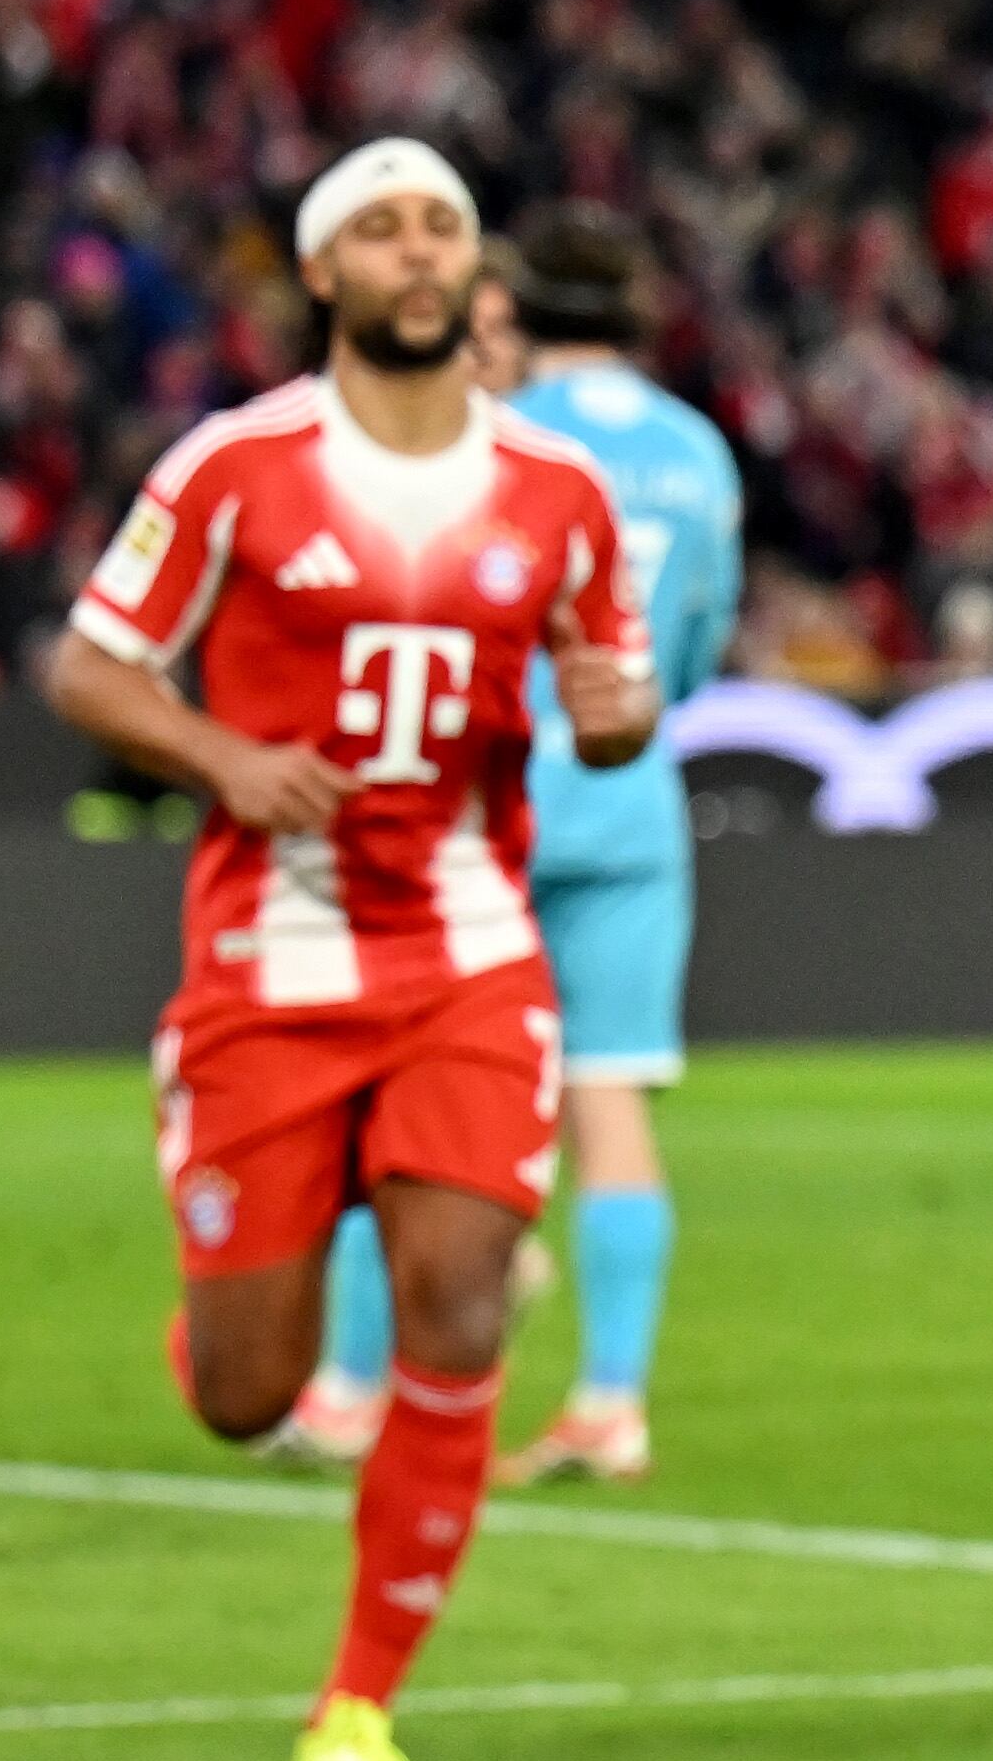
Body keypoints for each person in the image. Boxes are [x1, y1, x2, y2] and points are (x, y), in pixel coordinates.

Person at [41, 137, 653, 1761]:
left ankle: (357, 1711)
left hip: (469, 949)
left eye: (440, 226)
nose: (413, 252)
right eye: (376, 228)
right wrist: (219, 755)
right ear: (321, 274)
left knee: (458, 1295)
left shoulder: (557, 492)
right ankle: (240, 1292)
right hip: (273, 956)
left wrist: (622, 719)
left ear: (476, 276)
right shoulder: (236, 470)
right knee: (250, 1395)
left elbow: (618, 685)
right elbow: (90, 664)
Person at [285, 209, 744, 1484]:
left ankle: (352, 1387)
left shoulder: (496, 441)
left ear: (516, 311)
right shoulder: (701, 453)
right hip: (630, 804)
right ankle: (611, 1402)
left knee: (397, 1091)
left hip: (473, 813)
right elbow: (696, 647)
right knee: (611, 1103)